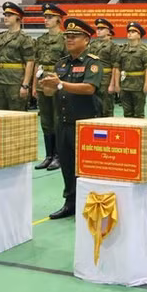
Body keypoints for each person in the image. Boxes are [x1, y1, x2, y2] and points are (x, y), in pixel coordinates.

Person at [40, 18, 103, 220]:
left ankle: (90, 203)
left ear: (86, 39)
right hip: (64, 122)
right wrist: (47, 87)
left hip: (85, 124)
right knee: (67, 164)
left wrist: (60, 84)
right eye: (67, 36)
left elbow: (89, 88)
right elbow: (53, 92)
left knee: (86, 166)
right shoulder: (61, 63)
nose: (69, 39)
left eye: (74, 36)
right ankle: (70, 202)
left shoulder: (92, 63)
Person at [33, 4, 67, 171]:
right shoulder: (41, 40)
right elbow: (37, 63)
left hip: (57, 81)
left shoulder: (65, 39)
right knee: (45, 120)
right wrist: (34, 85)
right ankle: (48, 155)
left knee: (57, 118)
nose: (46, 20)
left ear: (58, 20)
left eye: (50, 17)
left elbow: (68, 64)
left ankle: (59, 156)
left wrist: (62, 84)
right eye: (45, 17)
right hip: (42, 81)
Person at [0, 2, 35, 111]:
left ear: (18, 18)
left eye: (9, 15)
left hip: (15, 81)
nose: (6, 18)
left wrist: (25, 85)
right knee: (1, 113)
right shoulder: (0, 37)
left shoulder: (24, 38)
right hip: (0, 81)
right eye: (5, 15)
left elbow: (30, 62)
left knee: (17, 113)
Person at [114, 22, 147, 118]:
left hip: (138, 86)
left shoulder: (144, 50)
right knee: (127, 113)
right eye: (129, 31)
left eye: (133, 31)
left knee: (139, 114)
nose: (130, 33)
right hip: (125, 85)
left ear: (139, 35)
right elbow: (117, 67)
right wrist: (117, 85)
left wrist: (146, 85)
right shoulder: (122, 49)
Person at [88, 18, 121, 117]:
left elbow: (115, 66)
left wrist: (112, 84)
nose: (98, 30)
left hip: (106, 78)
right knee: (94, 107)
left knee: (106, 108)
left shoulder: (113, 46)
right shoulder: (92, 45)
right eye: (97, 28)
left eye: (101, 28)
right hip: (93, 78)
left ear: (108, 31)